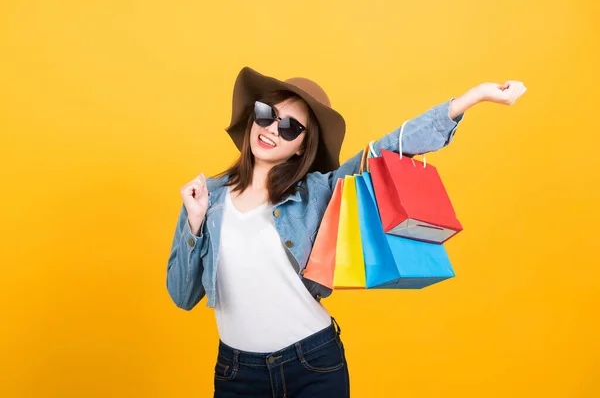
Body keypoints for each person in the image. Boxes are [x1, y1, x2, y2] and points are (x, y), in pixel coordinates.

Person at [166, 66, 526, 398]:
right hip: (237, 374)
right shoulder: (206, 197)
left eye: (291, 127)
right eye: (266, 114)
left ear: (303, 146)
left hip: (311, 363)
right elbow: (182, 296)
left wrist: (472, 97)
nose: (273, 129)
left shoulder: (317, 192)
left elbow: (387, 147)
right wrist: (195, 225)